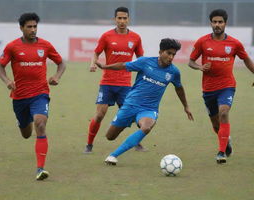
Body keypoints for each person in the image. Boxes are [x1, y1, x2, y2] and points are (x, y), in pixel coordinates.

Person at [95, 38, 194, 165]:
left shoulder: (174, 72)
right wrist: (105, 66)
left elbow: (179, 88)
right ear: (160, 52)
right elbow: (124, 65)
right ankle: (129, 122)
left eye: (173, 54)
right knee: (110, 136)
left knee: (146, 127)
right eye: (168, 53)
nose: (171, 57)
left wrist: (186, 106)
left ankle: (113, 155)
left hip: (149, 109)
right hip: (130, 105)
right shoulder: (144, 62)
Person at [0, 13, 66, 180]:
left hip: (40, 94)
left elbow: (61, 63)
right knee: (26, 133)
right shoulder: (12, 47)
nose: (33, 30)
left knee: (40, 124)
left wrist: (56, 77)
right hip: (19, 96)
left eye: (35, 26)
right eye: (29, 27)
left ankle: (40, 169)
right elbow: (0, 66)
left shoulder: (45, 45)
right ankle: (22, 121)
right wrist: (7, 81)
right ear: (21, 28)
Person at [188, 9, 254, 164]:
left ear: (225, 23)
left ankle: (221, 152)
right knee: (216, 125)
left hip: (227, 86)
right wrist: (199, 67)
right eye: (214, 22)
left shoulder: (234, 43)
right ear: (211, 23)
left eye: (220, 22)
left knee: (223, 112)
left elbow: (246, 60)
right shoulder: (202, 42)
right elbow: (190, 61)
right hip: (209, 89)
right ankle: (226, 141)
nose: (217, 25)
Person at [84, 7, 145, 153]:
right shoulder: (106, 36)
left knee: (132, 116)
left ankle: (136, 142)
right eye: (119, 18)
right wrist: (93, 64)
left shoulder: (135, 38)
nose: (122, 21)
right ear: (115, 19)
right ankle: (89, 145)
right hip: (107, 83)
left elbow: (141, 59)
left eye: (125, 18)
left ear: (128, 19)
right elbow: (96, 53)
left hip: (125, 84)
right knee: (99, 115)